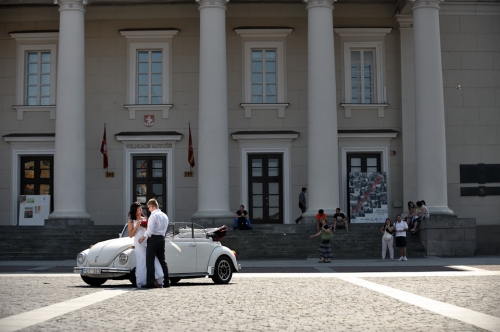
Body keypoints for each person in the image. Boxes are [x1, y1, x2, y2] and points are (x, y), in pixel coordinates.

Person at [127, 202, 164, 288]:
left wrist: (145, 227)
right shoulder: (131, 221)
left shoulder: (145, 218)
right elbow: (131, 235)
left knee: (153, 260)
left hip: (147, 242)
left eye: (140, 209)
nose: (140, 211)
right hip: (139, 243)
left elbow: (149, 230)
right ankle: (145, 281)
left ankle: (155, 280)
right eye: (137, 210)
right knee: (143, 261)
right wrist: (137, 225)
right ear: (134, 211)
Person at [138, 199, 170, 288]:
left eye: (148, 207)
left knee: (150, 261)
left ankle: (150, 282)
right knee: (162, 261)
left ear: (152, 206)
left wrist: (142, 238)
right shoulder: (165, 215)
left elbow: (150, 230)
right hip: (162, 238)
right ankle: (167, 281)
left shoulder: (153, 215)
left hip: (153, 239)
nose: (148, 209)